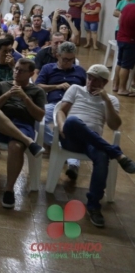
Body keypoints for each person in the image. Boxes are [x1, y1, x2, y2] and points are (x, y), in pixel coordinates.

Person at [56, 65, 135, 227]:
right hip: (70, 137)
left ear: (104, 82)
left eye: (96, 80)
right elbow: (60, 111)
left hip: (92, 142)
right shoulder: (76, 89)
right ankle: (117, 153)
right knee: (73, 121)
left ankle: (94, 205)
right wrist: (62, 126)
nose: (91, 82)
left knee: (102, 156)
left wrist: (106, 100)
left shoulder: (111, 100)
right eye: (89, 77)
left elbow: (114, 125)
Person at [0, 59, 46, 208]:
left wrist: (25, 98)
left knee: (16, 147)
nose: (17, 72)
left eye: (22, 70)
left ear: (31, 73)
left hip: (23, 124)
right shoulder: (2, 85)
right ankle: (29, 142)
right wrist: (7, 95)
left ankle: (9, 189)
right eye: (16, 69)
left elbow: (39, 116)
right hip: (0, 124)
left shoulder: (37, 91)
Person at [34, 41, 85, 176]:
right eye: (65, 59)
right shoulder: (48, 68)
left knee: (77, 127)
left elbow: (88, 90)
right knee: (37, 121)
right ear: (57, 56)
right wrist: (56, 86)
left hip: (75, 106)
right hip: (54, 104)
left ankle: (73, 164)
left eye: (71, 59)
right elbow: (37, 86)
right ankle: (64, 147)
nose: (68, 62)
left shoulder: (80, 71)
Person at [112, 0, 135, 93]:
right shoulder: (126, 4)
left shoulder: (126, 8)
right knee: (126, 65)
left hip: (121, 36)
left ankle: (115, 86)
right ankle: (122, 88)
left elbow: (119, 19)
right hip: (129, 40)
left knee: (119, 62)